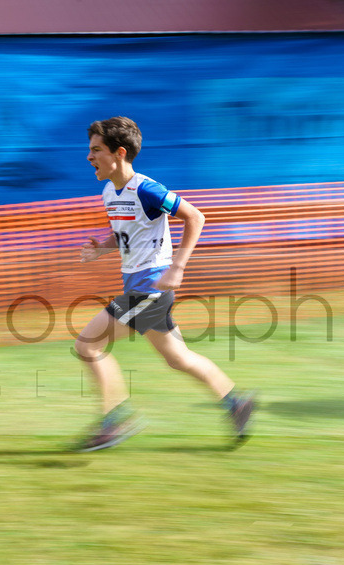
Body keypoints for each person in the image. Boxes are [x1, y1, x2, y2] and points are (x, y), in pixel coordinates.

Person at [74, 116, 254, 451]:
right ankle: (237, 403)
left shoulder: (147, 189)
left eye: (96, 149)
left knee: (88, 345)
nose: (89, 156)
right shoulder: (109, 192)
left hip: (149, 290)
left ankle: (115, 420)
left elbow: (195, 216)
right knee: (178, 358)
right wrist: (102, 248)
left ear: (119, 153)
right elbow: (126, 234)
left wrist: (178, 268)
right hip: (140, 290)